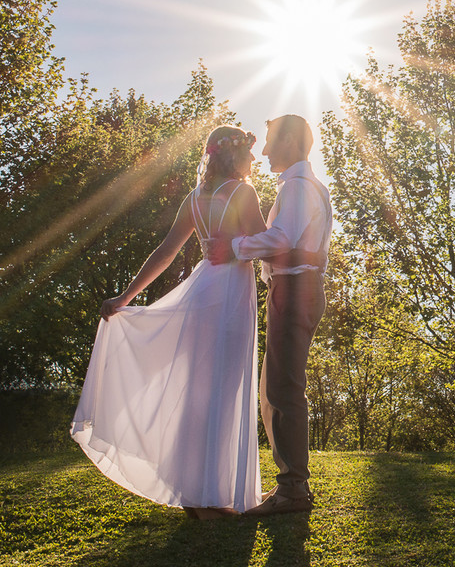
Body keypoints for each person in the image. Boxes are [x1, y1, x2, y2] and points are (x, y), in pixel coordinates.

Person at [70, 125, 317, 520]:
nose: (253, 159)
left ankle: (194, 494)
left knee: (198, 395)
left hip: (201, 292)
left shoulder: (195, 197)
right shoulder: (243, 193)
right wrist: (307, 259)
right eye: (248, 153)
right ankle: (210, 497)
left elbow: (166, 251)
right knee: (223, 393)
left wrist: (126, 297)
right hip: (230, 298)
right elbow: (266, 244)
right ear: (234, 155)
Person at [207, 114, 331, 517]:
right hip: (294, 288)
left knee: (283, 388)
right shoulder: (303, 185)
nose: (262, 152)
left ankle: (293, 489)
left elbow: (283, 237)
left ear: (290, 140)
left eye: (270, 142)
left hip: (295, 289)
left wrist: (234, 247)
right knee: (274, 387)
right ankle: (291, 485)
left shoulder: (298, 186)